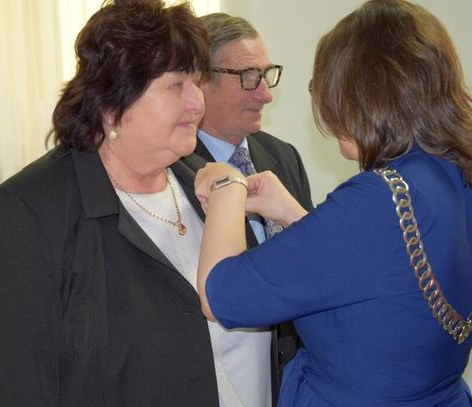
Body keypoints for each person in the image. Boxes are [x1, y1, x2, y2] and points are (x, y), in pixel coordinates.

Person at [0, 1, 262, 406]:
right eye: (177, 85)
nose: (197, 102)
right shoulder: (29, 211)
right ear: (111, 104)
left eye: (197, 82)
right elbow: (8, 387)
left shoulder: (210, 184)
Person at [195, 0, 472, 405]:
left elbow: (221, 294)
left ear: (360, 94)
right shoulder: (451, 172)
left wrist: (226, 186)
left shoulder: (377, 199)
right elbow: (382, 269)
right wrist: (292, 213)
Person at [192, 12, 313, 401]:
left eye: (267, 75)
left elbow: (311, 269)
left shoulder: (283, 156)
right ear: (200, 80)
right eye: (248, 76)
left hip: (293, 382)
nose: (265, 94)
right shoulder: (177, 171)